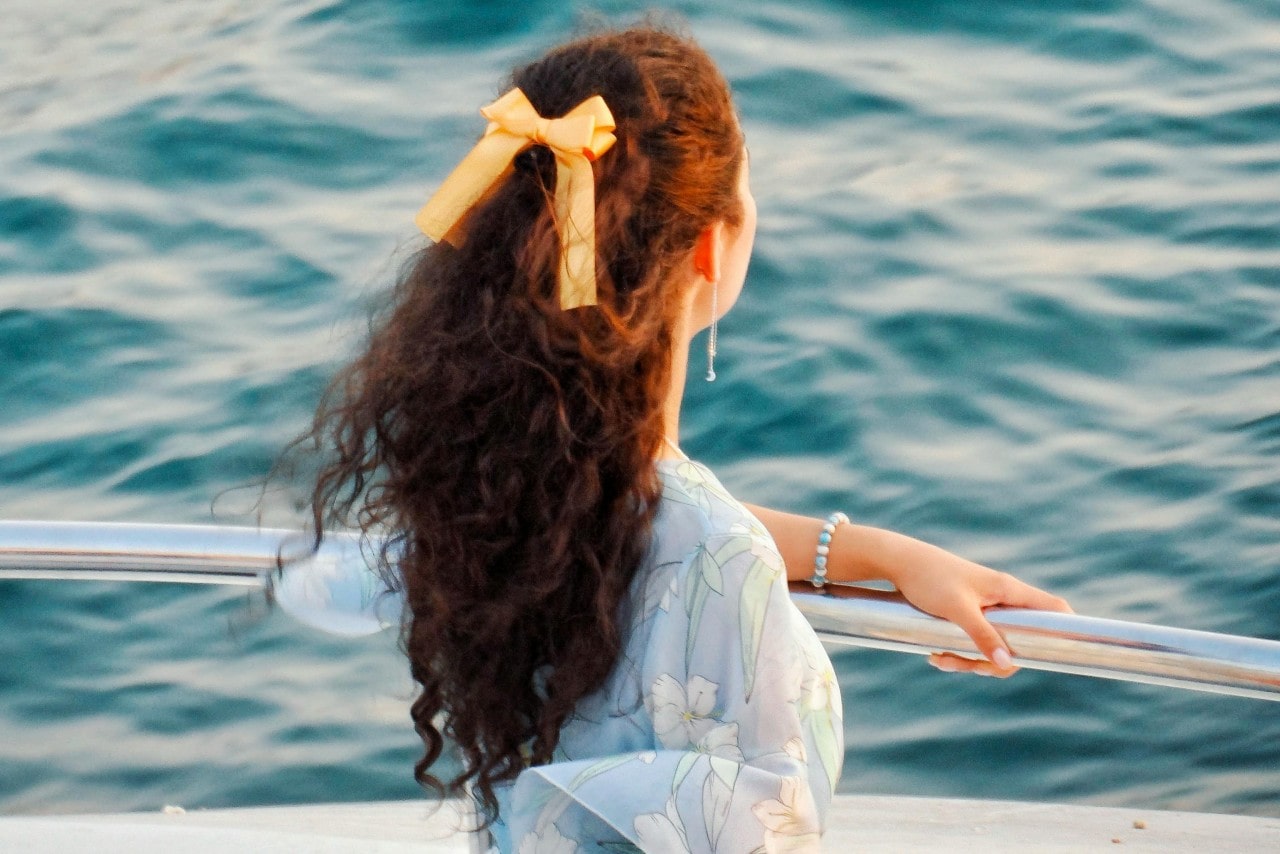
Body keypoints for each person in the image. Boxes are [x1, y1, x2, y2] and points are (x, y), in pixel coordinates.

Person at [292, 21, 1070, 853]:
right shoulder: (713, 555)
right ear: (711, 243)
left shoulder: (507, 487)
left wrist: (877, 555)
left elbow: (651, 514)